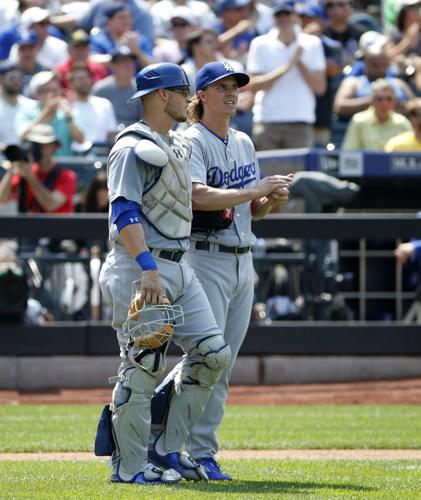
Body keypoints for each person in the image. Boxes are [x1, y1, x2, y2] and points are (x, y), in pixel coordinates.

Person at [97, 62, 235, 485]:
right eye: (183, 91)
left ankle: (165, 448)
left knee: (214, 355)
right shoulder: (131, 146)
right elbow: (124, 210)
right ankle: (128, 466)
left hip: (179, 265)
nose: (189, 99)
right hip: (142, 267)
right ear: (162, 95)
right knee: (141, 368)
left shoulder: (175, 144)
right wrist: (147, 268)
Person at [157, 61, 291, 480]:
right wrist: (255, 190)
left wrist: (270, 202)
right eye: (221, 86)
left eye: (236, 86)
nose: (232, 93)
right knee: (205, 358)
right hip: (204, 256)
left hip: (242, 258)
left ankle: (200, 452)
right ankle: (159, 437)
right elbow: (197, 197)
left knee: (223, 363)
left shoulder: (245, 141)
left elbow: (251, 210)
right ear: (201, 96)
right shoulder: (190, 139)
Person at [246, 0, 326, 150]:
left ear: (295, 16)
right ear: (273, 17)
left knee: (299, 174)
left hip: (301, 122)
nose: (283, 18)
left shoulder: (312, 43)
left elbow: (320, 87)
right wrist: (289, 65)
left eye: (287, 14)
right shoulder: (259, 43)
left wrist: (299, 63)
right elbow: (254, 85)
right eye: (279, 14)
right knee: (268, 173)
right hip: (267, 121)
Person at [0, 123, 76, 213]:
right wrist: (12, 168)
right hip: (30, 226)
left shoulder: (66, 176)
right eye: (35, 145)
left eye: (43, 145)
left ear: (54, 147)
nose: (39, 149)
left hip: (57, 226)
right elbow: (2, 199)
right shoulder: (24, 172)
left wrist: (31, 178)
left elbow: (51, 205)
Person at [15, 70, 84, 157]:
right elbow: (22, 137)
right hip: (36, 167)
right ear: (37, 94)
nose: (53, 94)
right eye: (47, 90)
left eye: (56, 89)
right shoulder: (27, 111)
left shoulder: (68, 111)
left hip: (64, 166)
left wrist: (68, 117)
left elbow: (80, 140)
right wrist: (46, 114)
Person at [342, 79, 412, 151]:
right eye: (379, 99)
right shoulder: (358, 121)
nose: (384, 104)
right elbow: (349, 151)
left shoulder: (403, 123)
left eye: (389, 99)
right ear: (372, 101)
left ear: (394, 102)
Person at [92, 46, 142, 129]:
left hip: (135, 133)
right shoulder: (100, 89)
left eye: (130, 61)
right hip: (107, 134)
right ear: (113, 66)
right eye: (123, 62)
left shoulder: (141, 89)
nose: (128, 65)